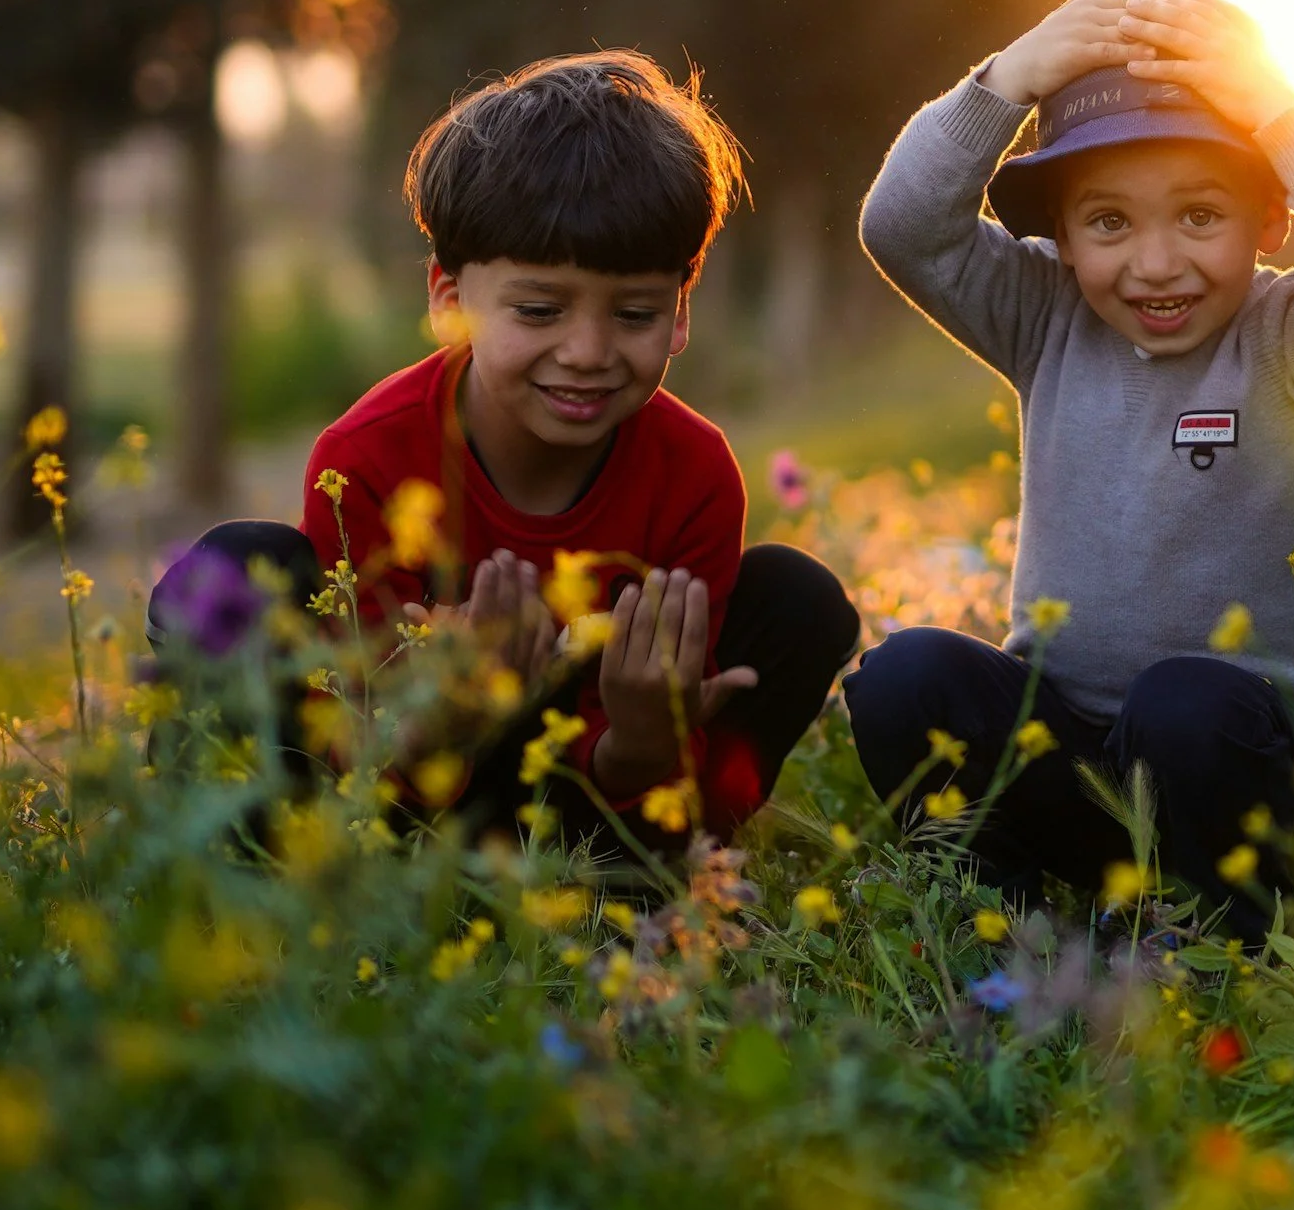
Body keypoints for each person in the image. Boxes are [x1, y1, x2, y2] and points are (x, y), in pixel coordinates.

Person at [847, 0, 1294, 934]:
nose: (1156, 263)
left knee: (1184, 702)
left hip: (1244, 765)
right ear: (1063, 236)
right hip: (1073, 758)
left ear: (1270, 221)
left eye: (1201, 216)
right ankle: (998, 909)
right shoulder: (1046, 317)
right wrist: (1006, 81)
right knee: (904, 675)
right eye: (1110, 222)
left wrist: (1280, 111)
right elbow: (902, 226)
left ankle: (1218, 931)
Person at [152, 51, 858, 846]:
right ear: (450, 303)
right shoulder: (369, 458)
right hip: (396, 812)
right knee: (240, 564)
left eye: (634, 315)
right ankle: (235, 864)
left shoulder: (693, 475)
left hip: (596, 814)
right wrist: (454, 707)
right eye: (539, 309)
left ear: (681, 312)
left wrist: (642, 734)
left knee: (798, 598)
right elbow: (357, 745)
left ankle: (668, 882)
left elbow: (641, 763)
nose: (588, 350)